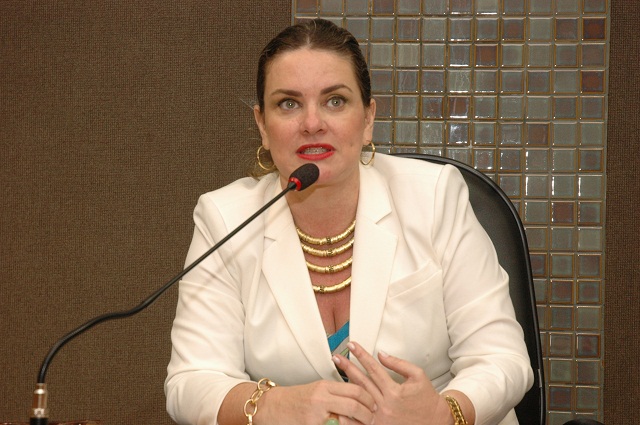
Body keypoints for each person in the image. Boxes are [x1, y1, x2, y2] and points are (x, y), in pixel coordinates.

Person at [165, 18, 533, 425]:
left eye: (335, 101)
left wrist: (446, 413)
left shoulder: (434, 197)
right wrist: (272, 405)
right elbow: (191, 381)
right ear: (262, 126)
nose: (312, 123)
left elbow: (502, 357)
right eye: (288, 104)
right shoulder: (224, 218)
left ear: (368, 118)